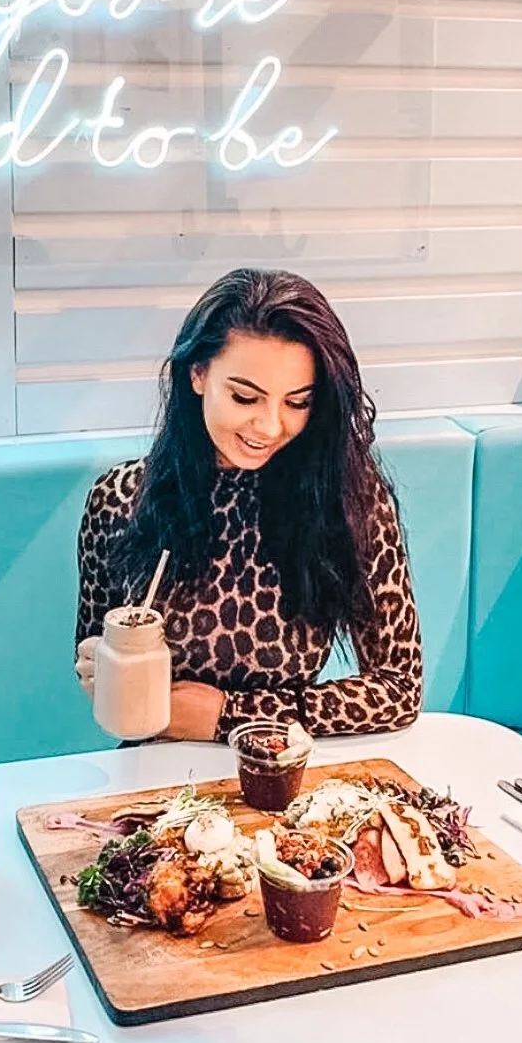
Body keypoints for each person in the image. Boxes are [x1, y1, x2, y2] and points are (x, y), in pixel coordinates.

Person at [74, 268, 422, 743]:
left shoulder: (347, 500)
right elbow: (91, 647)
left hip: (285, 771)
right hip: (153, 778)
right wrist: (100, 669)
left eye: (297, 402)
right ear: (197, 373)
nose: (269, 426)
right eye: (244, 397)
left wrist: (230, 716)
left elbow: (399, 688)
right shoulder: (119, 501)